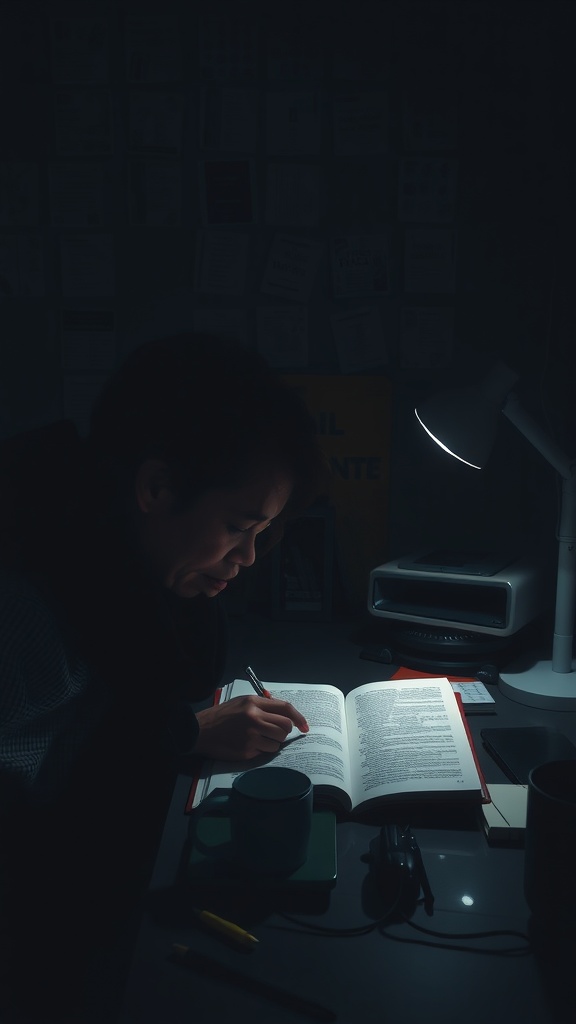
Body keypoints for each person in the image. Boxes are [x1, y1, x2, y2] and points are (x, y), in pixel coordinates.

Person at [0, 333, 328, 1022]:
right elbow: (35, 814)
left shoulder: (116, 560)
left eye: (263, 534)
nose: (248, 557)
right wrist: (180, 734)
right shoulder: (30, 605)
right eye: (239, 526)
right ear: (155, 487)